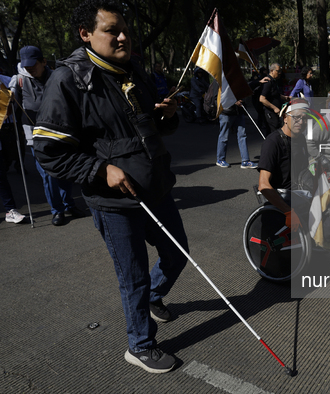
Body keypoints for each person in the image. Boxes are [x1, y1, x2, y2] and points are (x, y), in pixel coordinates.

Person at [33, 0, 187, 373]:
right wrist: (100, 171)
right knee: (132, 275)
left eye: (126, 30)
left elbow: (146, 125)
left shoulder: (133, 68)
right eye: (112, 30)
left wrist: (165, 116)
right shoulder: (67, 79)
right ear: (86, 34)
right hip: (114, 201)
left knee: (177, 253)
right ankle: (140, 344)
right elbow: (48, 152)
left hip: (155, 187)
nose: (123, 37)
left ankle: (153, 296)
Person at [10, 45, 86, 226]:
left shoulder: (57, 76)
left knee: (66, 170)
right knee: (48, 174)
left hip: (62, 132)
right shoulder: (19, 80)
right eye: (26, 65)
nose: (30, 68)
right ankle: (57, 210)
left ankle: (69, 204)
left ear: (44, 62)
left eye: (33, 64)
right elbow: (14, 109)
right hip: (36, 136)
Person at [257, 98, 311, 230]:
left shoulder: (301, 139)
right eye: (297, 117)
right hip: (287, 196)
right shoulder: (273, 142)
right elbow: (263, 185)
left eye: (305, 119)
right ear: (285, 118)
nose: (301, 122)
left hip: (303, 191)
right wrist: (288, 211)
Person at [0, 74, 26, 224]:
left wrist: (9, 101)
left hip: (5, 131)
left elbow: (9, 110)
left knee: (1, 176)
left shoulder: (5, 80)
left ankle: (10, 210)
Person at [215, 94, 258, 169]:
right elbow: (217, 98)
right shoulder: (221, 83)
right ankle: (220, 159)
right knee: (224, 136)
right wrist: (233, 101)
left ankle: (245, 160)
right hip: (226, 112)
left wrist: (257, 82)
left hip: (239, 112)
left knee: (242, 135)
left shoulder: (238, 82)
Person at [260, 63, 289, 133]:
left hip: (276, 114)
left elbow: (275, 94)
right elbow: (262, 99)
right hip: (270, 113)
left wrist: (285, 98)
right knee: (273, 133)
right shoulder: (268, 82)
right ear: (272, 70)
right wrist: (274, 108)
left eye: (280, 71)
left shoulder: (274, 81)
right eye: (278, 71)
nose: (280, 73)